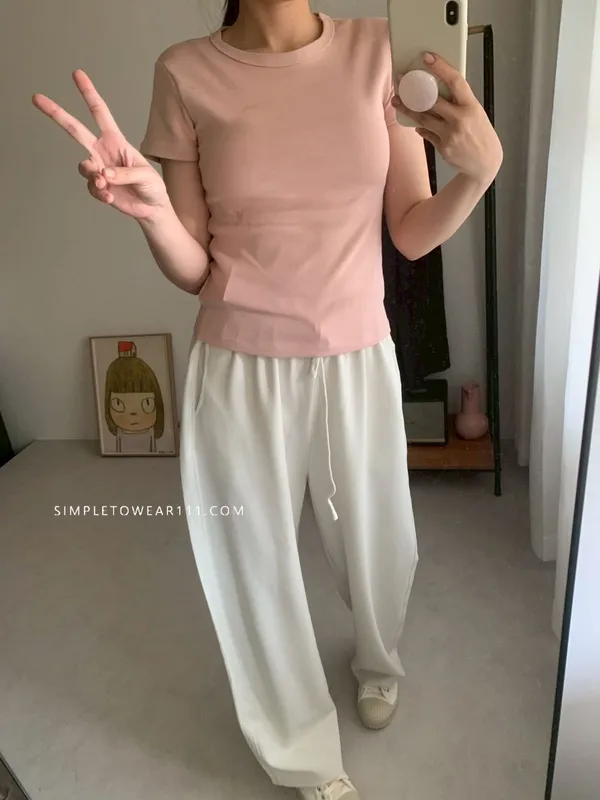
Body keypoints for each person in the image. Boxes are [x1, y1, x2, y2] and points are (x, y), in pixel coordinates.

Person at [32, 1, 502, 797]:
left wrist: (480, 172)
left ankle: (379, 659)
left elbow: (411, 230)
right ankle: (302, 751)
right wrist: (152, 213)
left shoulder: (378, 49)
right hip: (238, 367)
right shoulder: (186, 72)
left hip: (356, 358)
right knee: (252, 569)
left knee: (380, 545)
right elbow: (195, 267)